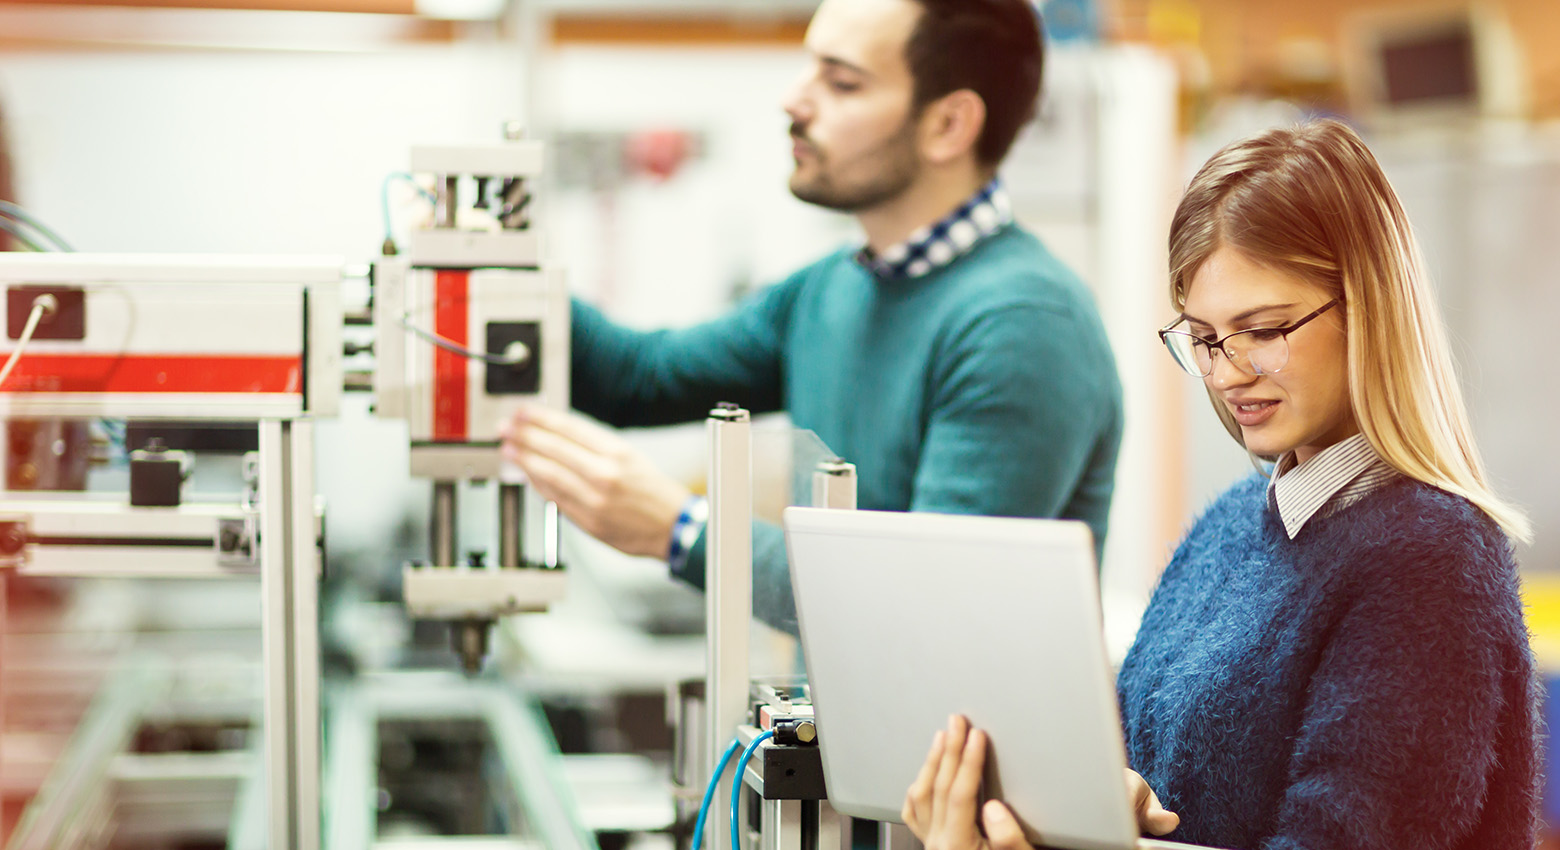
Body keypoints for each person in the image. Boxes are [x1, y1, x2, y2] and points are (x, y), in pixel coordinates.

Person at [904, 118, 1539, 850]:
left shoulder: (1429, 559)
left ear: (1369, 308)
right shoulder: (1235, 522)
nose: (1227, 372)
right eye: (1203, 339)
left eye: (1263, 330)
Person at [500, 0, 1123, 631]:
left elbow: (923, 614)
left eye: (841, 81)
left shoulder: (1021, 325)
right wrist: (496, 265)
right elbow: (638, 378)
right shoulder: (831, 288)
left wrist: (681, 530)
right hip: (847, 728)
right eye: (809, 69)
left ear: (948, 125)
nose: (794, 101)